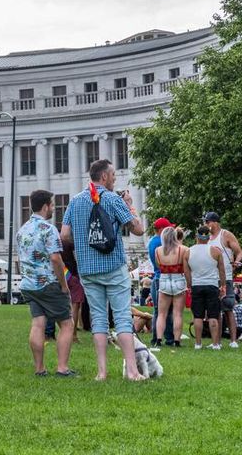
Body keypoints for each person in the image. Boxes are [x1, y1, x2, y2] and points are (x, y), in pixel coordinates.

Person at [61, 159, 145, 381]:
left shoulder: (75, 201)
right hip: (113, 266)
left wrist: (83, 242)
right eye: (114, 176)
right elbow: (138, 229)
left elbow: (64, 235)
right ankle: (133, 371)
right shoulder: (112, 199)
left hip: (87, 268)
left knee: (98, 320)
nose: (115, 179)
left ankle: (102, 372)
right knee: (122, 319)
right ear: (104, 177)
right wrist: (129, 204)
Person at [16, 189, 77, 377]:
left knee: (38, 324)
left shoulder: (22, 230)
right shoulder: (48, 229)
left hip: (28, 284)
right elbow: (56, 259)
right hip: (48, 282)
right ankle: (62, 367)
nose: (53, 208)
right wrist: (63, 285)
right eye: (52, 205)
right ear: (45, 207)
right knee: (67, 324)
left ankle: (40, 368)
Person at [204, 212, 242, 348]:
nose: (206, 225)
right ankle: (217, 341)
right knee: (215, 311)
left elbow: (239, 252)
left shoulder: (225, 235)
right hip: (211, 278)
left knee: (228, 308)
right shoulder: (208, 238)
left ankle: (233, 341)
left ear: (215, 222)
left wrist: (236, 262)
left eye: (208, 222)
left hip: (225, 277)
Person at [188, 225, 226, 349]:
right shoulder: (216, 251)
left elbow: (187, 272)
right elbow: (222, 271)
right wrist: (223, 285)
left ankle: (198, 343)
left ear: (196, 236)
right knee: (213, 316)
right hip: (212, 285)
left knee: (198, 316)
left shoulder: (188, 251)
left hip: (196, 285)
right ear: (209, 237)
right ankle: (215, 344)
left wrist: (189, 285)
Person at [153, 226, 189, 347]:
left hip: (164, 279)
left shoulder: (157, 250)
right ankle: (177, 340)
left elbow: (158, 266)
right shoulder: (183, 249)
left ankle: (158, 339)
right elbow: (186, 267)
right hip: (178, 278)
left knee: (161, 313)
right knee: (177, 313)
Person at [146, 216, 177, 346]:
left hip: (157, 278)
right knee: (165, 311)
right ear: (161, 229)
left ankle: (156, 338)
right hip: (162, 277)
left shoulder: (153, 241)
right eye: (169, 228)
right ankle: (168, 338)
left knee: (158, 311)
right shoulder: (160, 242)